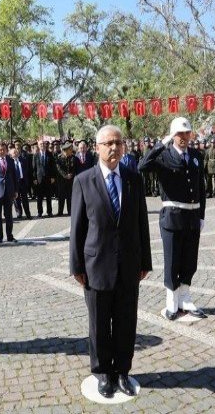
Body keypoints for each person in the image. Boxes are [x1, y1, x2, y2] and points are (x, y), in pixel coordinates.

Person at [70, 125, 151, 399]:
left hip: (128, 264)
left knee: (127, 321)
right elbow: (77, 229)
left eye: (118, 142)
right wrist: (76, 266)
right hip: (96, 266)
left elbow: (142, 222)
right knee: (99, 323)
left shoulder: (133, 178)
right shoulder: (83, 181)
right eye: (108, 143)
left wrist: (146, 261)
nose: (114, 147)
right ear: (97, 147)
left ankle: (122, 371)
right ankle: (103, 372)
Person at [138, 117, 206, 321]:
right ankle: (171, 301)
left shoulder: (195, 155)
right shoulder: (163, 156)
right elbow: (142, 166)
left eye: (187, 133)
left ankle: (185, 297)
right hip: (172, 216)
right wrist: (160, 144)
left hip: (192, 216)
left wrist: (201, 215)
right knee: (172, 261)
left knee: (189, 260)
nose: (184, 137)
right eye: (179, 134)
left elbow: (201, 187)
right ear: (173, 135)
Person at [32, 140, 56, 217]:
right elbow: (34, 168)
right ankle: (40, 212)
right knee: (39, 197)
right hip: (39, 179)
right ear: (38, 146)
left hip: (48, 178)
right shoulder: (36, 155)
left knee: (49, 196)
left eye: (43, 144)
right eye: (40, 144)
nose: (42, 145)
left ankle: (49, 212)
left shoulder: (50, 154)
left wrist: (53, 177)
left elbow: (53, 167)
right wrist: (34, 178)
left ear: (46, 145)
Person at [10, 146, 31, 219]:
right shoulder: (10, 162)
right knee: (16, 199)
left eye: (16, 152)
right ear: (11, 155)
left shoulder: (23, 160)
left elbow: (27, 171)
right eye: (13, 153)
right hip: (15, 183)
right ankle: (19, 213)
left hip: (23, 182)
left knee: (25, 199)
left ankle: (28, 214)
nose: (15, 154)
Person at [55, 142, 76, 216]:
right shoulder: (59, 158)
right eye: (70, 149)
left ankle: (70, 211)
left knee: (70, 196)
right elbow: (59, 169)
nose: (71, 150)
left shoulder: (73, 157)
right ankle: (60, 211)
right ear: (66, 150)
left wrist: (71, 174)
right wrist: (65, 175)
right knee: (61, 197)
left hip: (70, 180)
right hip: (62, 180)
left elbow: (74, 168)